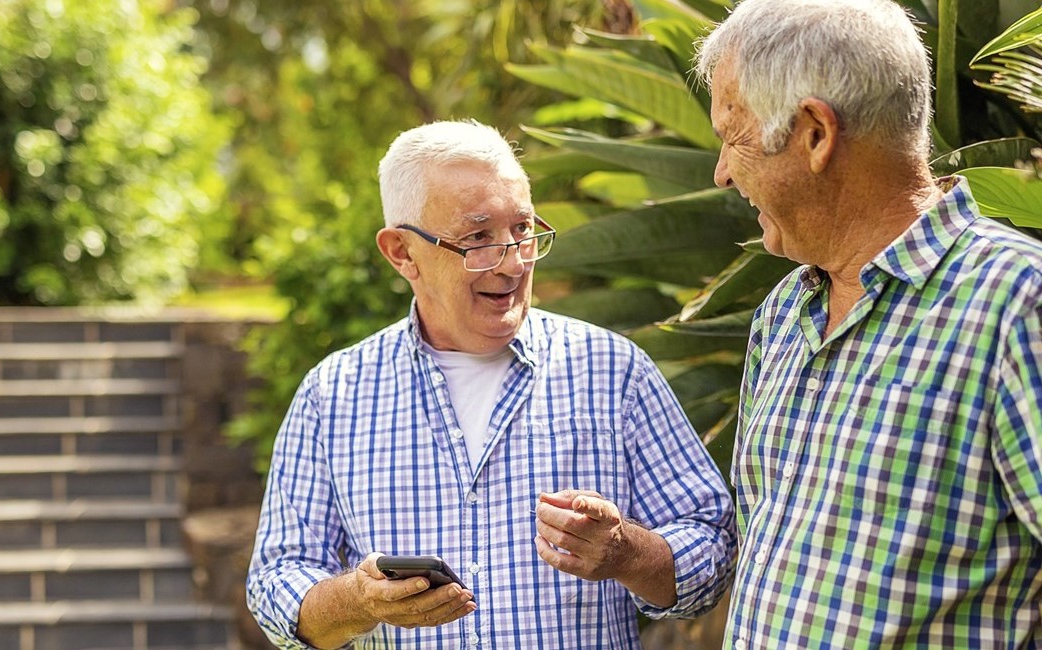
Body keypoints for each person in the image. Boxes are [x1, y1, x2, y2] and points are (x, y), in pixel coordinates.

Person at [246, 119, 736, 649]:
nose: (513, 262)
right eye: (478, 238)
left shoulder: (613, 370)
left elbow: (713, 547)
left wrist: (625, 553)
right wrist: (358, 601)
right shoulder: (333, 394)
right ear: (401, 253)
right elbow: (277, 586)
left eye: (523, 230)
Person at [694, 0, 1042, 648]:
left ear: (816, 134)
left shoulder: (1016, 302)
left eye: (733, 135)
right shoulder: (783, 315)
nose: (721, 171)